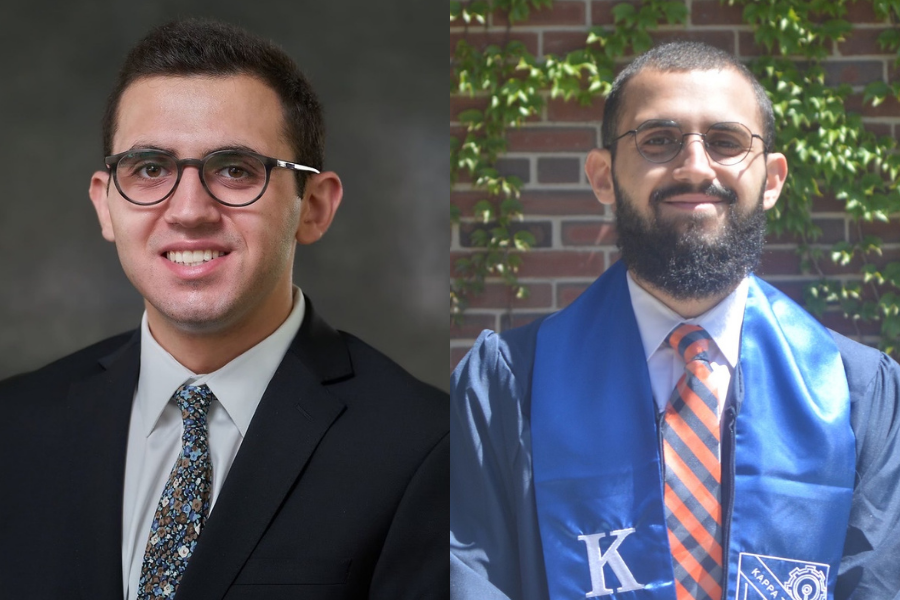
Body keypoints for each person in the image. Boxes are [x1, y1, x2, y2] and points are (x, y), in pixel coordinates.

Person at [0, 19, 448, 599]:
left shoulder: (429, 448)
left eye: (235, 170)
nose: (189, 210)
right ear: (106, 205)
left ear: (313, 206)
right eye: (150, 169)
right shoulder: (15, 428)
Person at [450, 41, 900, 600]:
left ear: (773, 179)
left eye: (726, 141)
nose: (694, 166)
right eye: (658, 140)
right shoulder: (506, 387)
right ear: (603, 175)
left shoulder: (858, 392)